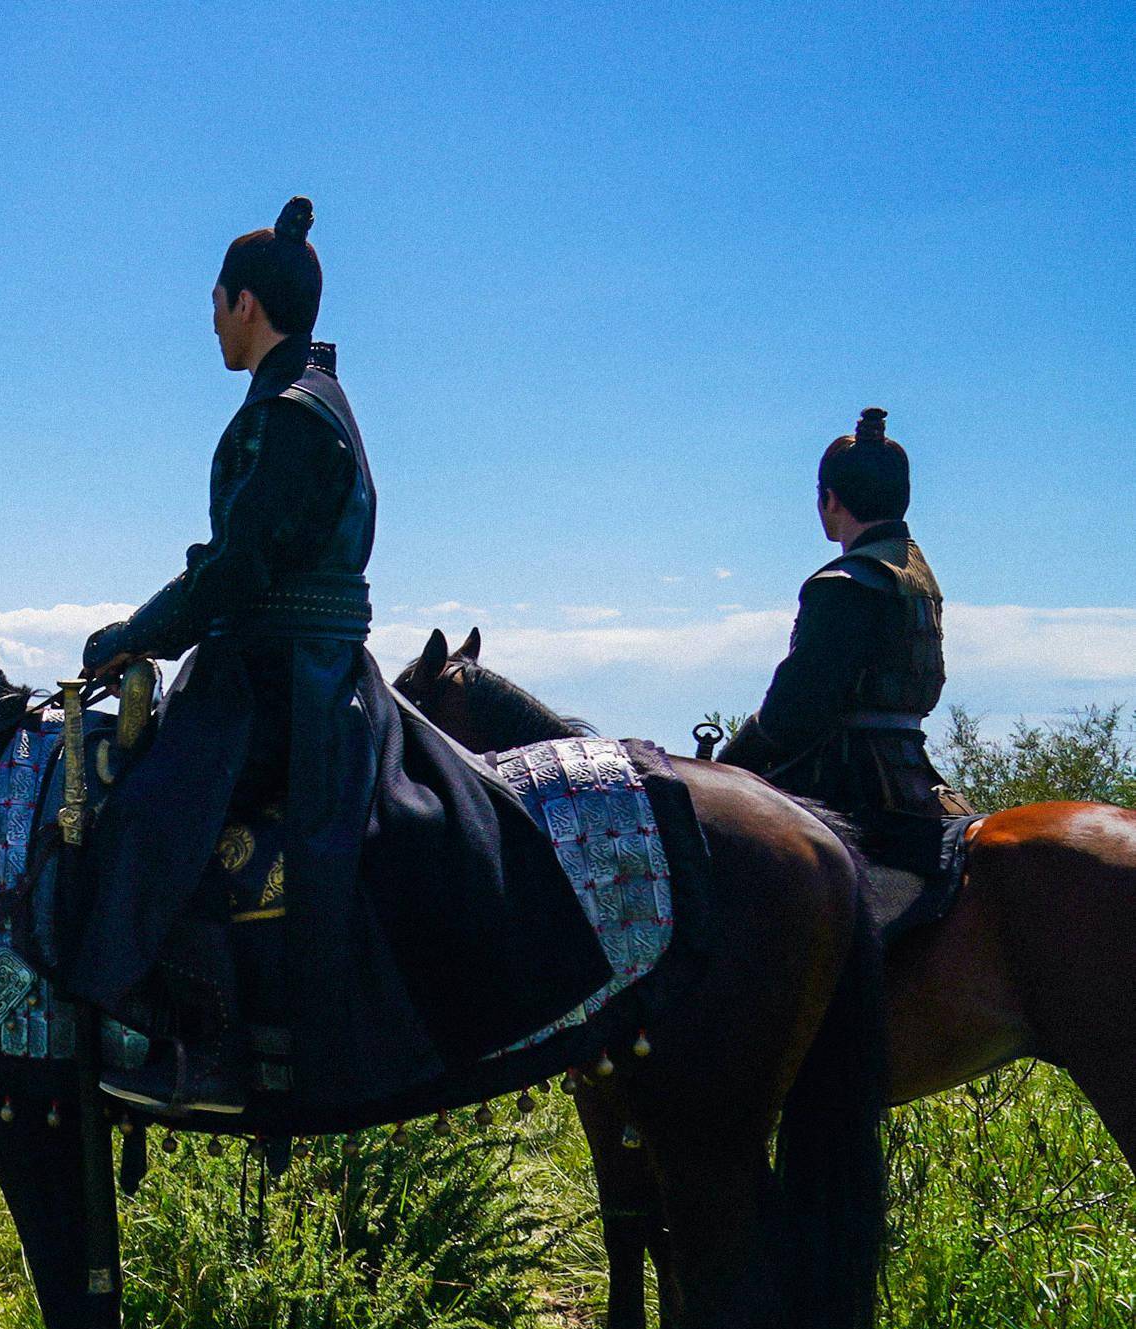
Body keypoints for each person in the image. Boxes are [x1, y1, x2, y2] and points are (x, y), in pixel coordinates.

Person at [69, 197, 605, 1116]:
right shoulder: (319, 403)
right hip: (304, 672)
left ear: (246, 305)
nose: (208, 321)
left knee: (145, 817)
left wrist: (127, 639)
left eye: (214, 301)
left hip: (276, 688)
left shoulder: (287, 414)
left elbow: (234, 572)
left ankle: (183, 1039)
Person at [718, 408, 967, 873]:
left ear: (830, 500)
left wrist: (730, 764)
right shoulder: (916, 573)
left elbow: (792, 713)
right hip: (911, 769)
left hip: (850, 782)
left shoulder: (841, 582)